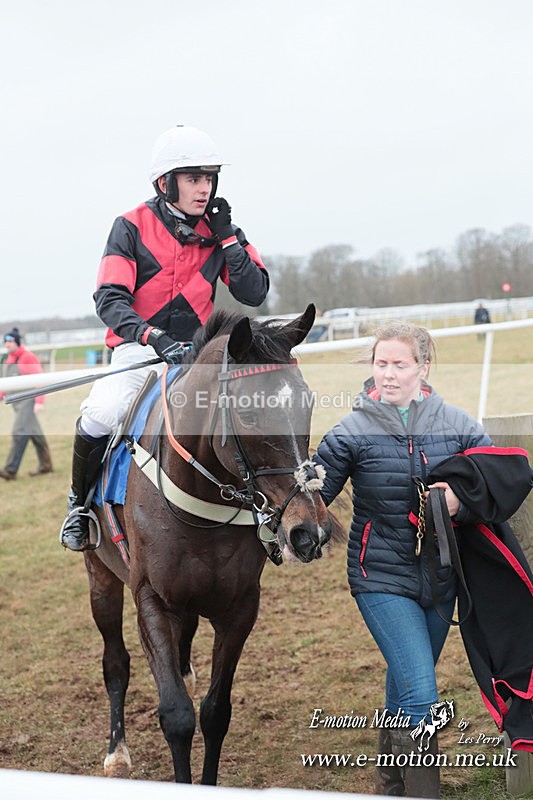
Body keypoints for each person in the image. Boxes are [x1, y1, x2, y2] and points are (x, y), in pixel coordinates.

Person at [59, 125, 269, 552]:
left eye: (209, 178)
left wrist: (227, 236)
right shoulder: (129, 227)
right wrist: (152, 336)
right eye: (194, 178)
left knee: (247, 411)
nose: (204, 188)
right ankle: (79, 506)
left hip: (198, 355)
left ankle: (267, 509)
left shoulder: (222, 231)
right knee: (103, 411)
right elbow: (109, 299)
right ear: (165, 182)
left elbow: (255, 292)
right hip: (138, 348)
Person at [313, 321, 494, 798]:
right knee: (422, 693)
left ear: (423, 367)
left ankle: (391, 784)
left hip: (440, 578)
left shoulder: (458, 425)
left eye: (399, 364)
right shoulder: (349, 430)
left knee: (406, 683)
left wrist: (460, 500)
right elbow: (313, 500)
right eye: (381, 364)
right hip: (379, 577)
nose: (388, 374)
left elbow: (493, 480)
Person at [0, 328, 53, 480]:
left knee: (19, 432)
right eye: (5, 341)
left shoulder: (27, 357)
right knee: (36, 434)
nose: (7, 344)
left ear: (17, 342)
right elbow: (7, 384)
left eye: (10, 341)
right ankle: (46, 466)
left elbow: (39, 379)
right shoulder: (8, 359)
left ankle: (10, 471)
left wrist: (39, 401)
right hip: (17, 404)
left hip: (27, 402)